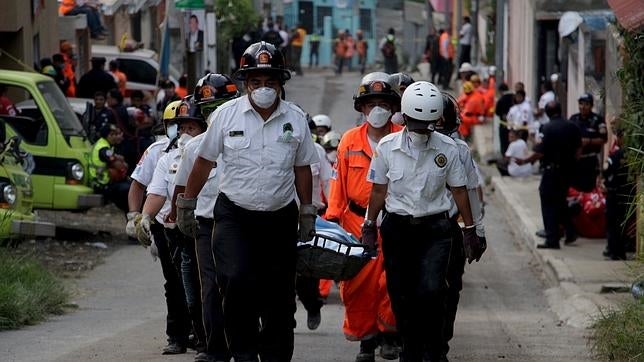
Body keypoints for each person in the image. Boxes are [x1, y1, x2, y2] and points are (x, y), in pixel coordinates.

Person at [179, 41, 318, 362]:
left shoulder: (295, 119)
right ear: (245, 84)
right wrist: (187, 203)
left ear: (281, 84)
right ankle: (242, 353)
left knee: (279, 296)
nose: (263, 88)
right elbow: (203, 162)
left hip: (280, 218)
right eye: (256, 82)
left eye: (270, 82)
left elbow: (302, 167)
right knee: (235, 283)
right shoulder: (226, 117)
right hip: (234, 218)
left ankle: (275, 355)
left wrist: (307, 210)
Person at [363, 81, 482, 361]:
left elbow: (459, 190)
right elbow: (378, 190)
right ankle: (411, 348)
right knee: (401, 294)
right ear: (405, 117)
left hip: (435, 231)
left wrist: (471, 229)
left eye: (427, 122)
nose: (422, 128)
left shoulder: (448, 149)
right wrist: (368, 225)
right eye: (416, 121)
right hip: (398, 230)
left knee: (432, 290)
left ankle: (433, 348)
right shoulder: (387, 147)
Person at [325, 72, 401, 362]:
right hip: (356, 223)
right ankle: (366, 341)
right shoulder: (349, 141)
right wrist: (332, 220)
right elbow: (338, 183)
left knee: (392, 283)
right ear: (362, 108)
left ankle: (389, 335)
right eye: (371, 104)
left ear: (393, 107)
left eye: (383, 103)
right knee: (358, 287)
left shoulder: (401, 139)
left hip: (395, 221)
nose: (377, 109)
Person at [174, 73, 240, 362]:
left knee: (239, 284)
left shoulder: (242, 141)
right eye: (210, 108)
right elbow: (180, 187)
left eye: (222, 105)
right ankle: (215, 349)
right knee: (210, 288)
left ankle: (244, 342)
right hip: (206, 225)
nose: (217, 113)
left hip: (240, 223)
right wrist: (181, 214)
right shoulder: (193, 147)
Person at [136, 99, 209, 357]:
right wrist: (144, 217)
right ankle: (197, 340)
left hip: (210, 230)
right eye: (182, 127)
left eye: (192, 128)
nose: (185, 133)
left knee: (213, 287)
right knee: (186, 289)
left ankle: (218, 341)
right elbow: (156, 192)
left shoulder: (217, 155)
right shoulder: (167, 159)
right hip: (177, 232)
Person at [125, 100, 193, 356]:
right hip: (165, 226)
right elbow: (139, 185)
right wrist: (136, 217)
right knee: (174, 282)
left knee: (198, 282)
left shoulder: (202, 147)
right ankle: (176, 335)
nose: (181, 129)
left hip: (197, 224)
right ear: (166, 126)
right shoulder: (157, 152)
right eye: (175, 124)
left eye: (186, 124)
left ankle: (200, 331)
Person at [435, 92, 486, 361]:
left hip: (449, 228)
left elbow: (470, 190)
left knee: (449, 288)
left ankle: (440, 345)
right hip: (410, 228)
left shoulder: (459, 150)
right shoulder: (399, 144)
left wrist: (476, 231)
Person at [516, 101, 582, 249]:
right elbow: (579, 151)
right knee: (560, 201)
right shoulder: (572, 126)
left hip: (552, 171)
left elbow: (539, 152)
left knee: (548, 203)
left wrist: (524, 161)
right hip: (567, 171)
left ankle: (552, 239)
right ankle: (570, 231)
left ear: (547, 113)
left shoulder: (546, 128)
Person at [602, 120, 634, 260]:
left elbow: (607, 173)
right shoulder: (634, 156)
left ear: (620, 139)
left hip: (614, 193)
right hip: (628, 194)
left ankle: (614, 251)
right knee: (624, 223)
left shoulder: (614, 156)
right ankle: (620, 250)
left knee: (613, 223)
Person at [568, 93, 607, 192]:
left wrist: (589, 141)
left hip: (590, 161)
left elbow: (603, 139)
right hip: (575, 162)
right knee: (574, 191)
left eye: (586, 104)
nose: (583, 107)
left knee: (589, 190)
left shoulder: (598, 120)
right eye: (581, 104)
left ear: (591, 105)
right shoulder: (573, 119)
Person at [88, 123, 130, 213]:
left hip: (106, 182)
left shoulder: (105, 144)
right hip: (101, 184)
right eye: (112, 135)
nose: (115, 137)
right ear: (106, 135)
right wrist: (123, 163)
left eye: (115, 134)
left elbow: (117, 158)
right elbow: (120, 166)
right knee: (127, 189)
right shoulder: (103, 148)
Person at [495, 82, 514, 154]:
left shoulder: (501, 100)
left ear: (500, 91)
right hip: (514, 125)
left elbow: (497, 112)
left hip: (503, 125)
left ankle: (505, 158)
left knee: (504, 143)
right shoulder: (513, 97)